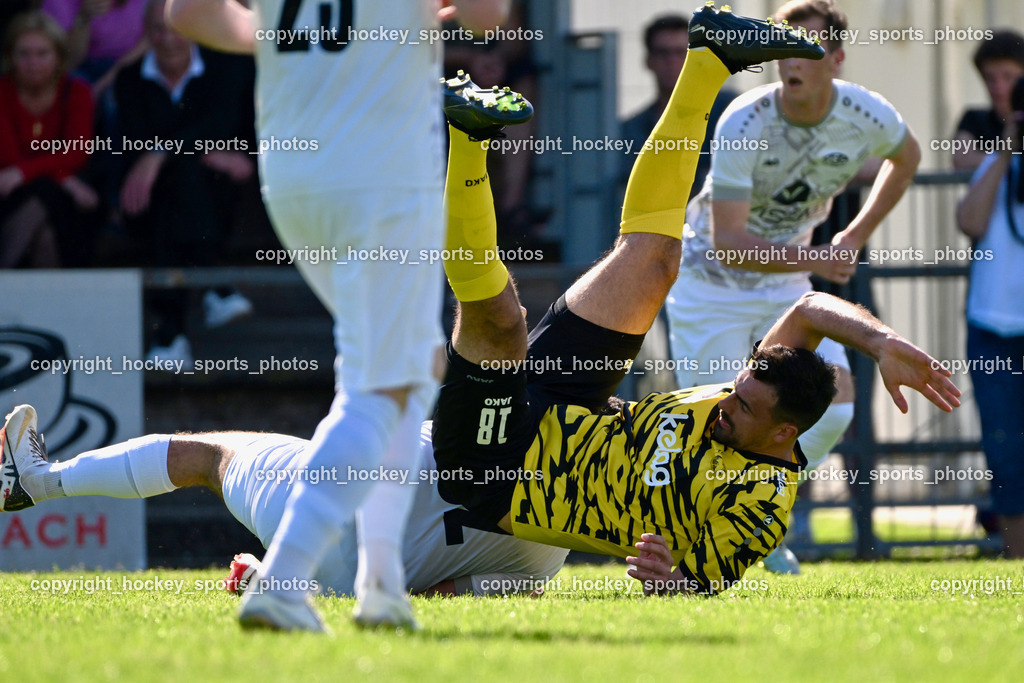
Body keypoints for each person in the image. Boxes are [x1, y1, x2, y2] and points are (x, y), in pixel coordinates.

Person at [432, 4, 958, 597]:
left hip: (497, 473)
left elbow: (694, 587)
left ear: (786, 436)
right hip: (574, 403)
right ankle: (707, 60)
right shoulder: (764, 387)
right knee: (656, 259)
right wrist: (882, 341)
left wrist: (664, 579)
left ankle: (467, 136)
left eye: (742, 410)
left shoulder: (758, 506)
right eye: (735, 392)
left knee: (500, 322)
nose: (724, 406)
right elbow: (810, 313)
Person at [164, 0, 517, 632]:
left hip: (294, 177)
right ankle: (284, 580)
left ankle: (380, 585)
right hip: (381, 176)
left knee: (411, 368)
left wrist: (281, 36)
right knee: (381, 388)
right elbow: (489, 15)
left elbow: (187, 13)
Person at [662, 0, 922, 573]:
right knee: (714, 425)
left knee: (834, 409)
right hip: (712, 285)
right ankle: (703, 550)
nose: (793, 61)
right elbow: (728, 241)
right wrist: (819, 258)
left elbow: (907, 157)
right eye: (786, 47)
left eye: (809, 49)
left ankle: (757, 507)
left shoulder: (866, 113)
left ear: (836, 58)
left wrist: (854, 236)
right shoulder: (745, 120)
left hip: (787, 284)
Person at [0, 405, 568, 596]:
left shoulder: (497, 426)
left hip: (322, 495)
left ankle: (38, 481)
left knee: (209, 455)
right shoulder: (554, 555)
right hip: (354, 578)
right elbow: (444, 592)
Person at [114, 0, 255, 362]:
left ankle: (170, 334)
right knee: (182, 177)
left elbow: (223, 126)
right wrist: (191, 150)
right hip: (148, 204)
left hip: (218, 201)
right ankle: (215, 283)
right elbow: (134, 147)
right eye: (158, 30)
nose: (168, 39)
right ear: (146, 34)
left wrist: (160, 153)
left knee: (183, 177)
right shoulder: (129, 81)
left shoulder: (228, 68)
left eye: (174, 28)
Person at [954, 76, 1024, 559]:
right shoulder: (996, 167)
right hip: (993, 329)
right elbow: (970, 222)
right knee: (1005, 455)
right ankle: (1019, 563)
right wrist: (1006, 154)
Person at [0, 10, 101, 268]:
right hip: (10, 195)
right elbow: (9, 158)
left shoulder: (77, 91)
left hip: (61, 201)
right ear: (10, 57)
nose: (32, 62)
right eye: (23, 54)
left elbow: (77, 152)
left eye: (42, 54)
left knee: (47, 217)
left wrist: (31, 174)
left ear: (59, 57)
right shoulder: (2, 92)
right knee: (44, 201)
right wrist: (62, 178)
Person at [620, 13, 737, 201]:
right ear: (648, 61)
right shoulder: (632, 130)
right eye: (663, 53)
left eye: (681, 53)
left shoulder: (730, 112)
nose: (672, 62)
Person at [952, 30, 1024, 173]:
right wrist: (1008, 157)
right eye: (990, 79)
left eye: (1008, 77)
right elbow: (962, 159)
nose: (999, 87)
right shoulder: (974, 120)